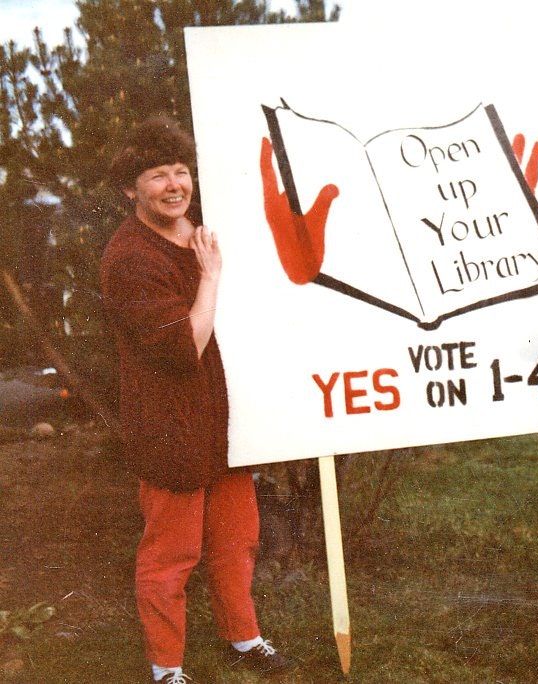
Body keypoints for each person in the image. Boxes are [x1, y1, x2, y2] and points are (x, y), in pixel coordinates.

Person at [100, 117, 294, 683]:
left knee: (237, 539)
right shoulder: (131, 257)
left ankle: (244, 637)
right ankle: (167, 668)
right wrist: (209, 278)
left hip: (224, 420)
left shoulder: (207, 232)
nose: (173, 184)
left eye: (180, 171)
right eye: (157, 175)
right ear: (131, 190)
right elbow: (183, 350)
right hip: (169, 425)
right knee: (171, 555)